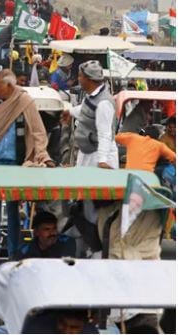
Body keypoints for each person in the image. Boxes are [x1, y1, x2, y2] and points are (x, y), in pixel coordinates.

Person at [0, 70, 54, 262]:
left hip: (16, 163)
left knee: (14, 208)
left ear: (10, 86)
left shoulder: (24, 102)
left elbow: (38, 131)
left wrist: (43, 156)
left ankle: (14, 253)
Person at [61, 60, 118, 254]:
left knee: (97, 205)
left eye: (80, 76)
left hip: (98, 157)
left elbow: (105, 134)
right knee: (84, 202)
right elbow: (84, 111)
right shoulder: (91, 98)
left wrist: (102, 161)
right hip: (87, 155)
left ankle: (98, 248)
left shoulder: (104, 103)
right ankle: (86, 246)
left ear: (88, 79)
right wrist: (69, 111)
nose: (78, 79)